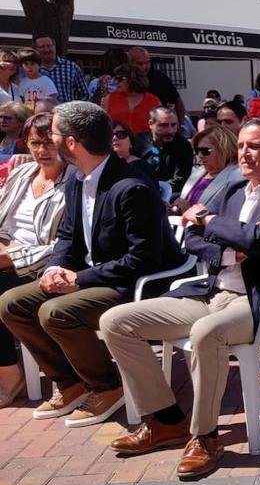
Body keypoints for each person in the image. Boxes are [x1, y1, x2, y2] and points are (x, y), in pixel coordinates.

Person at [100, 119, 260, 477]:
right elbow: (193, 239)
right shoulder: (233, 192)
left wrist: (212, 221)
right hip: (210, 290)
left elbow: (259, 241)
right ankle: (166, 420)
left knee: (205, 334)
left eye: (255, 146)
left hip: (257, 300)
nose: (245, 153)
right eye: (243, 145)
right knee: (117, 321)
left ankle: (205, 436)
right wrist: (232, 245)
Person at [0, 101, 183, 427]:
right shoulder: (77, 179)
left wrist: (79, 279)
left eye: (53, 134)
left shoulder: (132, 186)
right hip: (92, 276)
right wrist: (56, 267)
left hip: (131, 284)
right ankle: (70, 382)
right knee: (11, 303)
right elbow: (69, 236)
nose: (48, 142)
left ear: (70, 142)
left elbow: (142, 260)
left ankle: (108, 385)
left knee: (56, 313)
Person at [0, 113, 69, 407]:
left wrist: (14, 255)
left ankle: (9, 373)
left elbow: (66, 244)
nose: (42, 151)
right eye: (35, 143)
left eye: (49, 143)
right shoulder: (20, 174)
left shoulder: (75, 181)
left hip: (44, 264)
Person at [174, 125, 240, 213]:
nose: (200, 156)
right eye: (197, 151)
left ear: (224, 149)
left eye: (205, 151)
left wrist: (189, 211)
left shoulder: (237, 178)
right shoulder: (200, 172)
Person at [101, 64, 159, 152]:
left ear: (133, 80)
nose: (116, 82)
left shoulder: (153, 101)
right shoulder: (108, 99)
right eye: (115, 79)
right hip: (117, 148)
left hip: (146, 148)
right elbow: (102, 125)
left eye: (120, 79)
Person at [127, 47, 186, 130]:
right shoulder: (123, 81)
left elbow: (177, 100)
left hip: (159, 129)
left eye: (147, 63)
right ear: (130, 63)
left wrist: (181, 124)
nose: (145, 67)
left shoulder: (160, 78)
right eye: (140, 64)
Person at [143, 107, 194, 195]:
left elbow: (180, 179)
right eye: (164, 125)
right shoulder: (140, 142)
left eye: (173, 125)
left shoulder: (182, 146)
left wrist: (156, 189)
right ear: (151, 124)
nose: (170, 130)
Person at [32, 36, 87, 102]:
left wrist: (74, 109)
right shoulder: (30, 70)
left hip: (67, 111)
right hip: (39, 111)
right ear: (35, 50)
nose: (47, 50)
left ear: (55, 47)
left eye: (49, 46)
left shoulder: (72, 67)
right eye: (42, 47)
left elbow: (85, 95)